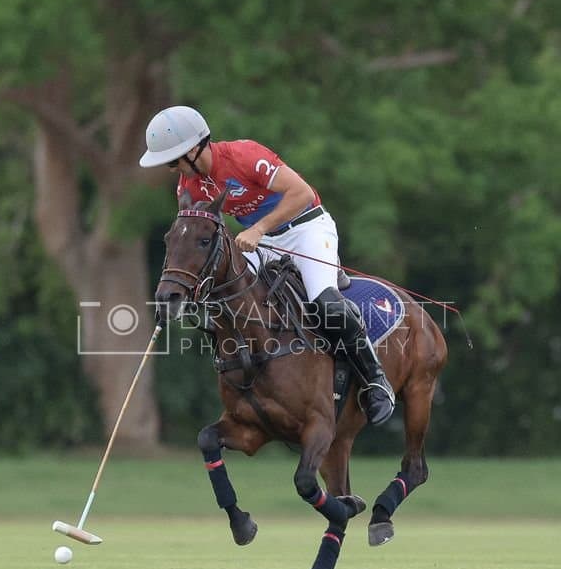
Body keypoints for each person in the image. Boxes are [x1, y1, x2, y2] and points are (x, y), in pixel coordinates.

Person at [140, 104, 395, 426]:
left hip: (306, 228)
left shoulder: (244, 155)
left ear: (193, 149)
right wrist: (182, 290)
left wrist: (259, 229)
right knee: (225, 297)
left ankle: (375, 380)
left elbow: (301, 193)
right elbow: (193, 236)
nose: (171, 169)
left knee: (325, 302)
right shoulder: (189, 186)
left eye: (173, 161)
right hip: (259, 241)